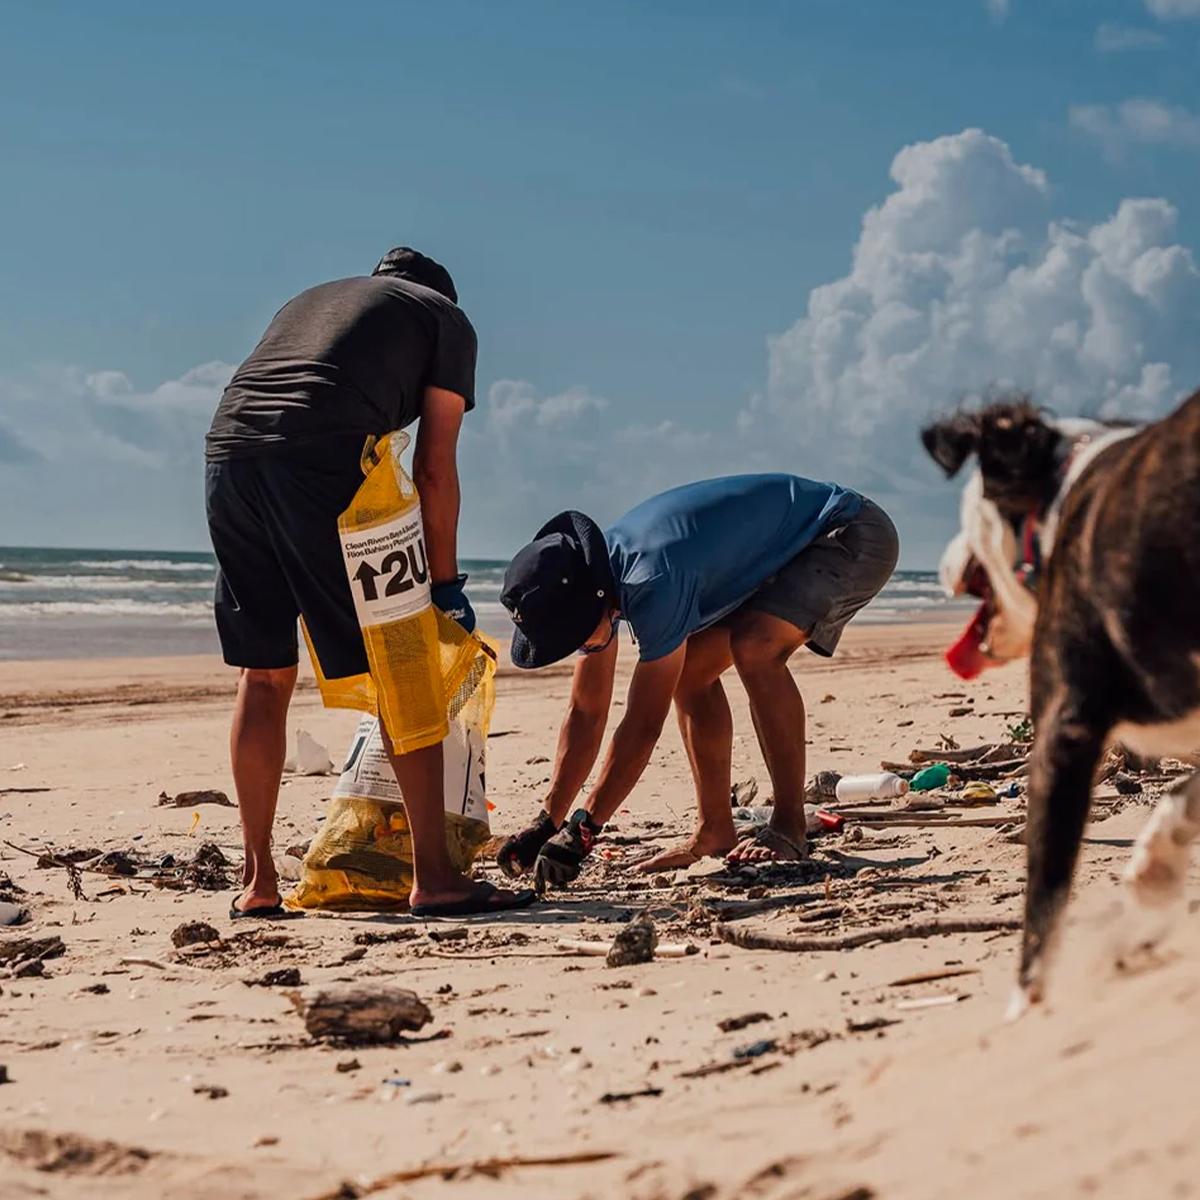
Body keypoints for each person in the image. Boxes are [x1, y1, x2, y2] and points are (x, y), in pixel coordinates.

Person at [205, 247, 534, 918]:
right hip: (324, 456)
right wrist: (444, 585)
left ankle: (259, 882)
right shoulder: (446, 319)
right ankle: (436, 880)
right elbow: (435, 466)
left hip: (228, 457)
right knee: (401, 668)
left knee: (264, 675)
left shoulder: (312, 298)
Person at [495, 473, 898, 887]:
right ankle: (715, 831)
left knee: (756, 648)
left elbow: (643, 725)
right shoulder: (592, 578)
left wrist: (583, 831)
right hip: (783, 556)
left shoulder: (651, 581)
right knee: (691, 675)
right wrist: (549, 822)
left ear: (590, 605)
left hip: (847, 535)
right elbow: (585, 712)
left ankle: (788, 826)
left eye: (570, 638)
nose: (574, 647)